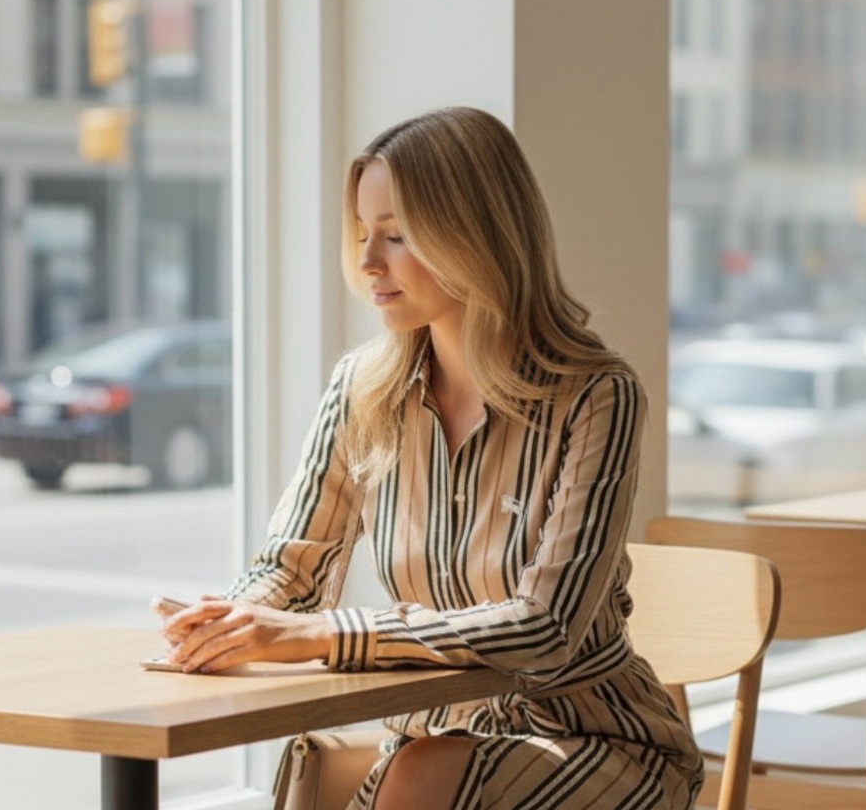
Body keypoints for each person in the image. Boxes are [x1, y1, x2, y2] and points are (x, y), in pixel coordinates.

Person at [159, 107, 703, 809]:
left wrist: (322, 635)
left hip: (594, 740)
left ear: (473, 238)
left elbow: (546, 627)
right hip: (435, 735)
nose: (366, 263)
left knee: (418, 778)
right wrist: (228, 623)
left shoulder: (597, 396)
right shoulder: (362, 391)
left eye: (395, 236)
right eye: (362, 234)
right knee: (328, 766)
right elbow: (290, 572)